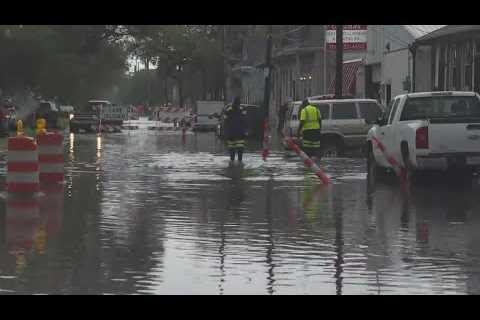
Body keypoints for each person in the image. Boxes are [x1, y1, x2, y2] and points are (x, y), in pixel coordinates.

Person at [224, 97, 248, 163]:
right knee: (239, 152)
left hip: (231, 134)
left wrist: (225, 133)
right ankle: (238, 166)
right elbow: (245, 120)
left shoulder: (228, 110)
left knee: (232, 153)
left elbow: (225, 122)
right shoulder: (242, 109)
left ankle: (233, 167)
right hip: (239, 133)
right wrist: (246, 130)